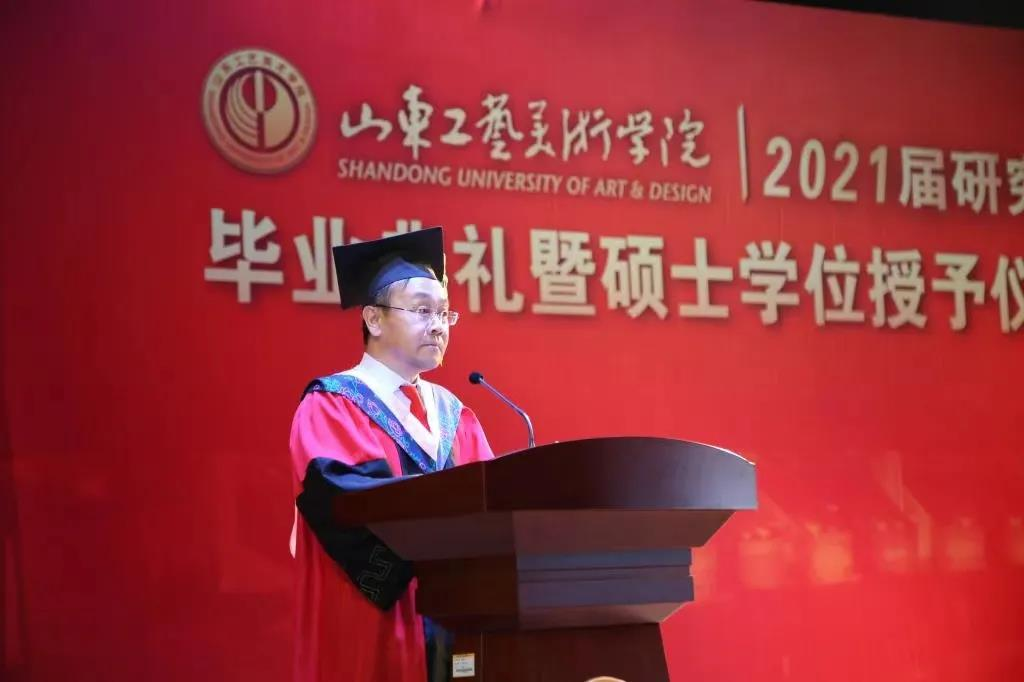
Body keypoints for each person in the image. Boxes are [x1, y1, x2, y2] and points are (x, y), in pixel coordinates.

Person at [288, 227, 494, 682]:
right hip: (376, 624)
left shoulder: (456, 416)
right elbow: (346, 502)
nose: (438, 325)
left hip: (458, 627)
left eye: (444, 312)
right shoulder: (332, 405)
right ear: (374, 319)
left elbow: (493, 505)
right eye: (422, 310)